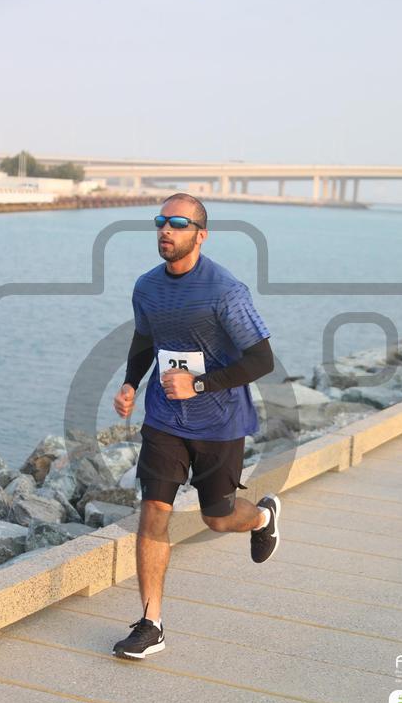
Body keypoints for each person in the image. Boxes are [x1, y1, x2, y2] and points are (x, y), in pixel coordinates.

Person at [112, 193, 280, 660]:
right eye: (161, 221)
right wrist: (130, 383)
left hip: (219, 422)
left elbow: (262, 359)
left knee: (217, 517)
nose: (166, 230)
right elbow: (145, 338)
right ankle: (151, 624)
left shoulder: (225, 291)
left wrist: (199, 384)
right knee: (154, 510)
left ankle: (263, 517)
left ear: (201, 235)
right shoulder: (147, 287)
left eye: (179, 223)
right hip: (164, 418)